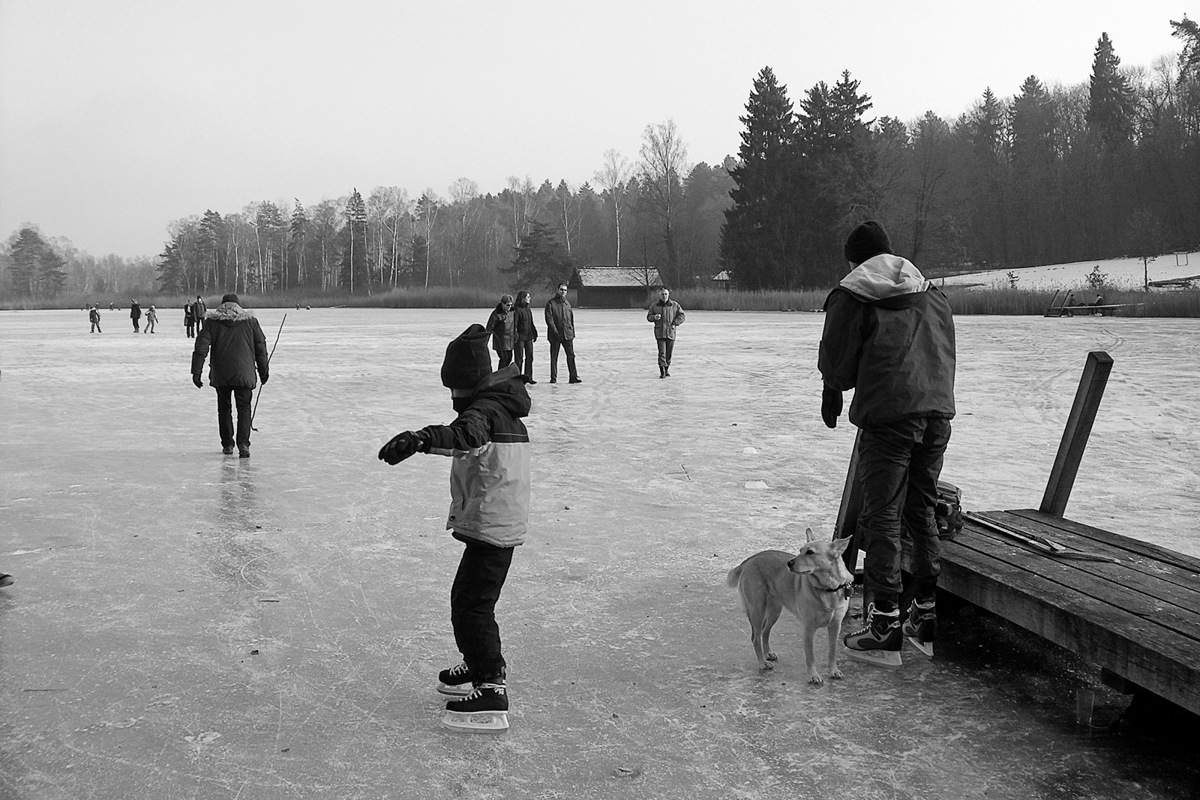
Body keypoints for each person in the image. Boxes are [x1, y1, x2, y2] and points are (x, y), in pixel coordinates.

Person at [377, 324, 531, 733]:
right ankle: (479, 664)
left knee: (471, 606)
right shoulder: (500, 405)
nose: (451, 400)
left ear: (467, 385)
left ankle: (491, 687)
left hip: (493, 524)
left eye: (453, 391)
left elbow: (465, 436)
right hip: (497, 519)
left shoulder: (483, 412)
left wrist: (420, 439)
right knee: (469, 600)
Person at [818, 220, 956, 669]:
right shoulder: (930, 290)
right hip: (937, 412)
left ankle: (884, 626)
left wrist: (832, 389)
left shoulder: (853, 293)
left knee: (883, 515)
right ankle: (924, 618)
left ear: (854, 260)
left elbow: (837, 365)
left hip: (890, 418)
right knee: (922, 508)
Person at [190, 293, 269, 458]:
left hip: (222, 375)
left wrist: (196, 372)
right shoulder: (251, 322)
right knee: (244, 409)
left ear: (221, 305)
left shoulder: (212, 323)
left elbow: (201, 348)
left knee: (224, 409)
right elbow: (260, 349)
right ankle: (243, 445)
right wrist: (263, 371)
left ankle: (227, 444)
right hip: (244, 373)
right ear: (239, 305)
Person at [544, 282, 581, 384]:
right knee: (554, 357)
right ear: (557, 290)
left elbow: (571, 319)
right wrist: (554, 331)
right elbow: (549, 319)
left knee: (571, 355)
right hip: (555, 335)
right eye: (561, 289)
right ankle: (553, 378)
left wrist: (572, 332)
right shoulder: (551, 303)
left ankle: (573, 376)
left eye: (565, 290)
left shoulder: (567, 304)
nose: (563, 292)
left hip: (567, 334)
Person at [647, 287, 685, 378]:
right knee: (662, 353)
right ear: (659, 295)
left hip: (670, 333)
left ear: (668, 295)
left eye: (665, 294)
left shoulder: (674, 305)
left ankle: (667, 368)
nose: (664, 296)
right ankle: (662, 370)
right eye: (662, 294)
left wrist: (675, 323)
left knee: (669, 353)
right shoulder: (654, 306)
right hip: (660, 333)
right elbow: (649, 317)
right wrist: (654, 317)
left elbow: (682, 316)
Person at [512, 291, 538, 384]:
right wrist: (515, 334)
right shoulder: (517, 310)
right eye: (528, 297)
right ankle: (518, 378)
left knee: (530, 357)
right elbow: (514, 324)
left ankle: (528, 377)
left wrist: (534, 332)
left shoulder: (528, 309)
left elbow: (531, 323)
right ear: (523, 298)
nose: (529, 298)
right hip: (520, 337)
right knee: (519, 359)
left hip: (528, 336)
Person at [485, 295, 516, 368]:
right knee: (503, 359)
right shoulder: (496, 313)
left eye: (511, 305)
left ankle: (504, 375)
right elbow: (490, 327)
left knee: (509, 358)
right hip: (500, 340)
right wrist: (485, 341)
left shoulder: (512, 312)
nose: (509, 307)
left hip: (510, 340)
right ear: (502, 304)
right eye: (507, 305)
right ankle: (500, 375)